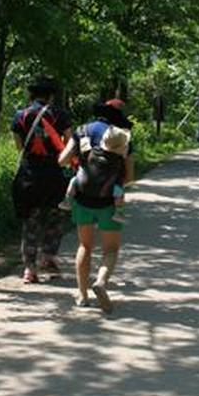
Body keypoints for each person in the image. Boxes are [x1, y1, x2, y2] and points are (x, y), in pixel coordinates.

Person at [58, 99, 135, 313]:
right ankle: (101, 281)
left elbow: (62, 160)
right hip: (110, 202)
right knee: (110, 248)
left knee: (85, 246)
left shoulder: (82, 131)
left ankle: (82, 296)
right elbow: (129, 176)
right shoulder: (123, 138)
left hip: (82, 198)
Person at [11, 77, 74, 284]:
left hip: (29, 175)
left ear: (32, 95)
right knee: (56, 216)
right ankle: (48, 256)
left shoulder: (20, 116)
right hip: (55, 174)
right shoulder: (60, 115)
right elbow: (69, 144)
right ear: (51, 96)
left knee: (31, 220)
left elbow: (20, 147)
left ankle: (30, 269)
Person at [59, 124, 131, 223]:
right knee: (119, 190)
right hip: (107, 191)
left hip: (83, 187)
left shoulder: (93, 152)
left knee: (74, 180)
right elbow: (128, 177)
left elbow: (65, 160)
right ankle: (119, 212)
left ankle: (67, 200)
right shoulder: (119, 158)